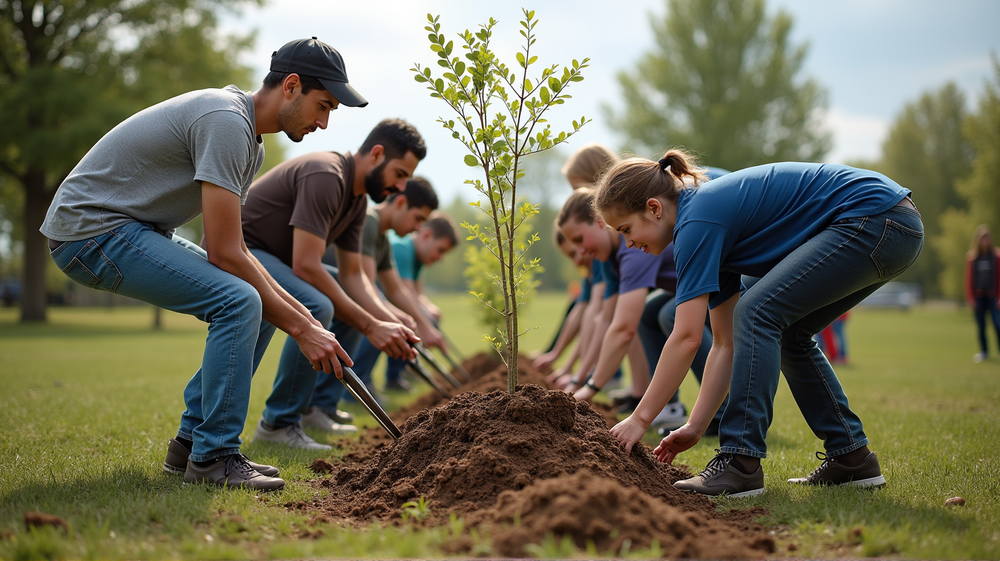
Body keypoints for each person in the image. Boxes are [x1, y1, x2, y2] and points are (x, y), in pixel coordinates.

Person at [40, 38, 365, 491]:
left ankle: (191, 445)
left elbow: (228, 246)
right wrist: (304, 328)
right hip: (92, 230)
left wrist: (302, 319)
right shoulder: (227, 121)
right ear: (291, 86)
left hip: (131, 230)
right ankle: (214, 457)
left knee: (261, 303)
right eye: (322, 105)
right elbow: (226, 255)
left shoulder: (250, 144)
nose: (324, 122)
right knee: (239, 301)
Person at [599, 151, 923, 497]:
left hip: (873, 218)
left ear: (654, 208)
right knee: (787, 332)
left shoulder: (696, 223)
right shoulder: (702, 226)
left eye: (626, 229)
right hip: (891, 223)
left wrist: (640, 418)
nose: (628, 243)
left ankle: (741, 462)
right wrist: (696, 425)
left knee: (757, 312)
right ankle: (852, 457)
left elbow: (687, 338)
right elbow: (725, 343)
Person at [240, 119, 427, 449]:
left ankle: (317, 406)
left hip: (277, 261)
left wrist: (388, 319)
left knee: (341, 295)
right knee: (320, 304)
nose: (400, 187)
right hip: (244, 249)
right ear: (378, 154)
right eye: (399, 174)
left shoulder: (356, 203)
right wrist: (370, 326)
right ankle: (278, 423)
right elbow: (307, 266)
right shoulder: (327, 175)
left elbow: (355, 277)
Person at [559, 188, 713, 429]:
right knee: (649, 314)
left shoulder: (631, 249)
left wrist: (590, 387)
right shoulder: (610, 259)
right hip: (690, 289)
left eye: (579, 239)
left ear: (600, 223)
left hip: (722, 283)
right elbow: (606, 320)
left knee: (668, 314)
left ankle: (722, 408)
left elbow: (622, 329)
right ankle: (669, 406)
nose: (580, 253)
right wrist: (581, 379)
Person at [308, 178, 447, 410]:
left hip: (340, 290)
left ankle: (325, 404)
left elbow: (395, 289)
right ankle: (321, 402)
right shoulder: (369, 221)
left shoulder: (383, 237)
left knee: (387, 320)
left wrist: (419, 323)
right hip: (318, 282)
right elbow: (367, 287)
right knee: (377, 320)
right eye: (418, 218)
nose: (417, 228)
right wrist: (391, 319)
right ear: (401, 204)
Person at [373, 213, 458, 391]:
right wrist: (424, 323)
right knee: (397, 323)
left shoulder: (418, 259)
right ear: (426, 236)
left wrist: (429, 310)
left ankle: (401, 372)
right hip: (375, 303)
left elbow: (417, 294)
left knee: (422, 318)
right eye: (440, 250)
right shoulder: (402, 248)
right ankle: (384, 377)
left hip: (388, 303)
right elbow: (405, 293)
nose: (440, 257)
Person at [965, 225, 1000, 363]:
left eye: (986, 238)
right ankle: (984, 351)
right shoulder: (972, 258)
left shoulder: (996, 257)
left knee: (997, 323)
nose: (984, 241)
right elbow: (969, 280)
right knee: (981, 326)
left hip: (993, 296)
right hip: (979, 297)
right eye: (982, 238)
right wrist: (971, 299)